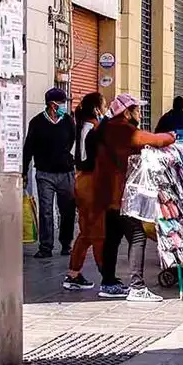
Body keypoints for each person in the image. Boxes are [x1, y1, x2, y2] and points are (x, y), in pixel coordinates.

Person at [93, 94, 176, 301]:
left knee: (113, 238)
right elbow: (154, 139)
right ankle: (137, 287)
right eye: (137, 109)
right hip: (121, 195)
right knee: (137, 236)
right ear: (127, 112)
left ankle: (109, 283)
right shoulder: (121, 129)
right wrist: (172, 135)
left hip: (108, 194)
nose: (140, 113)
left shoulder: (106, 128)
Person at [22, 88, 77, 260]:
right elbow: (28, 148)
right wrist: (24, 171)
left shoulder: (68, 121)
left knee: (67, 210)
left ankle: (66, 244)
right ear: (53, 105)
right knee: (46, 210)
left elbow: (71, 141)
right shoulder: (36, 123)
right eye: (62, 103)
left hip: (66, 173)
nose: (64, 105)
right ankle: (46, 246)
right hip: (45, 173)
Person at [63, 92, 107, 291]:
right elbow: (89, 158)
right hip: (91, 182)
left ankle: (73, 273)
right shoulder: (92, 127)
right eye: (104, 104)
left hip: (83, 180)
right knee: (97, 231)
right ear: (97, 108)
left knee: (87, 232)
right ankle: (108, 278)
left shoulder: (83, 125)